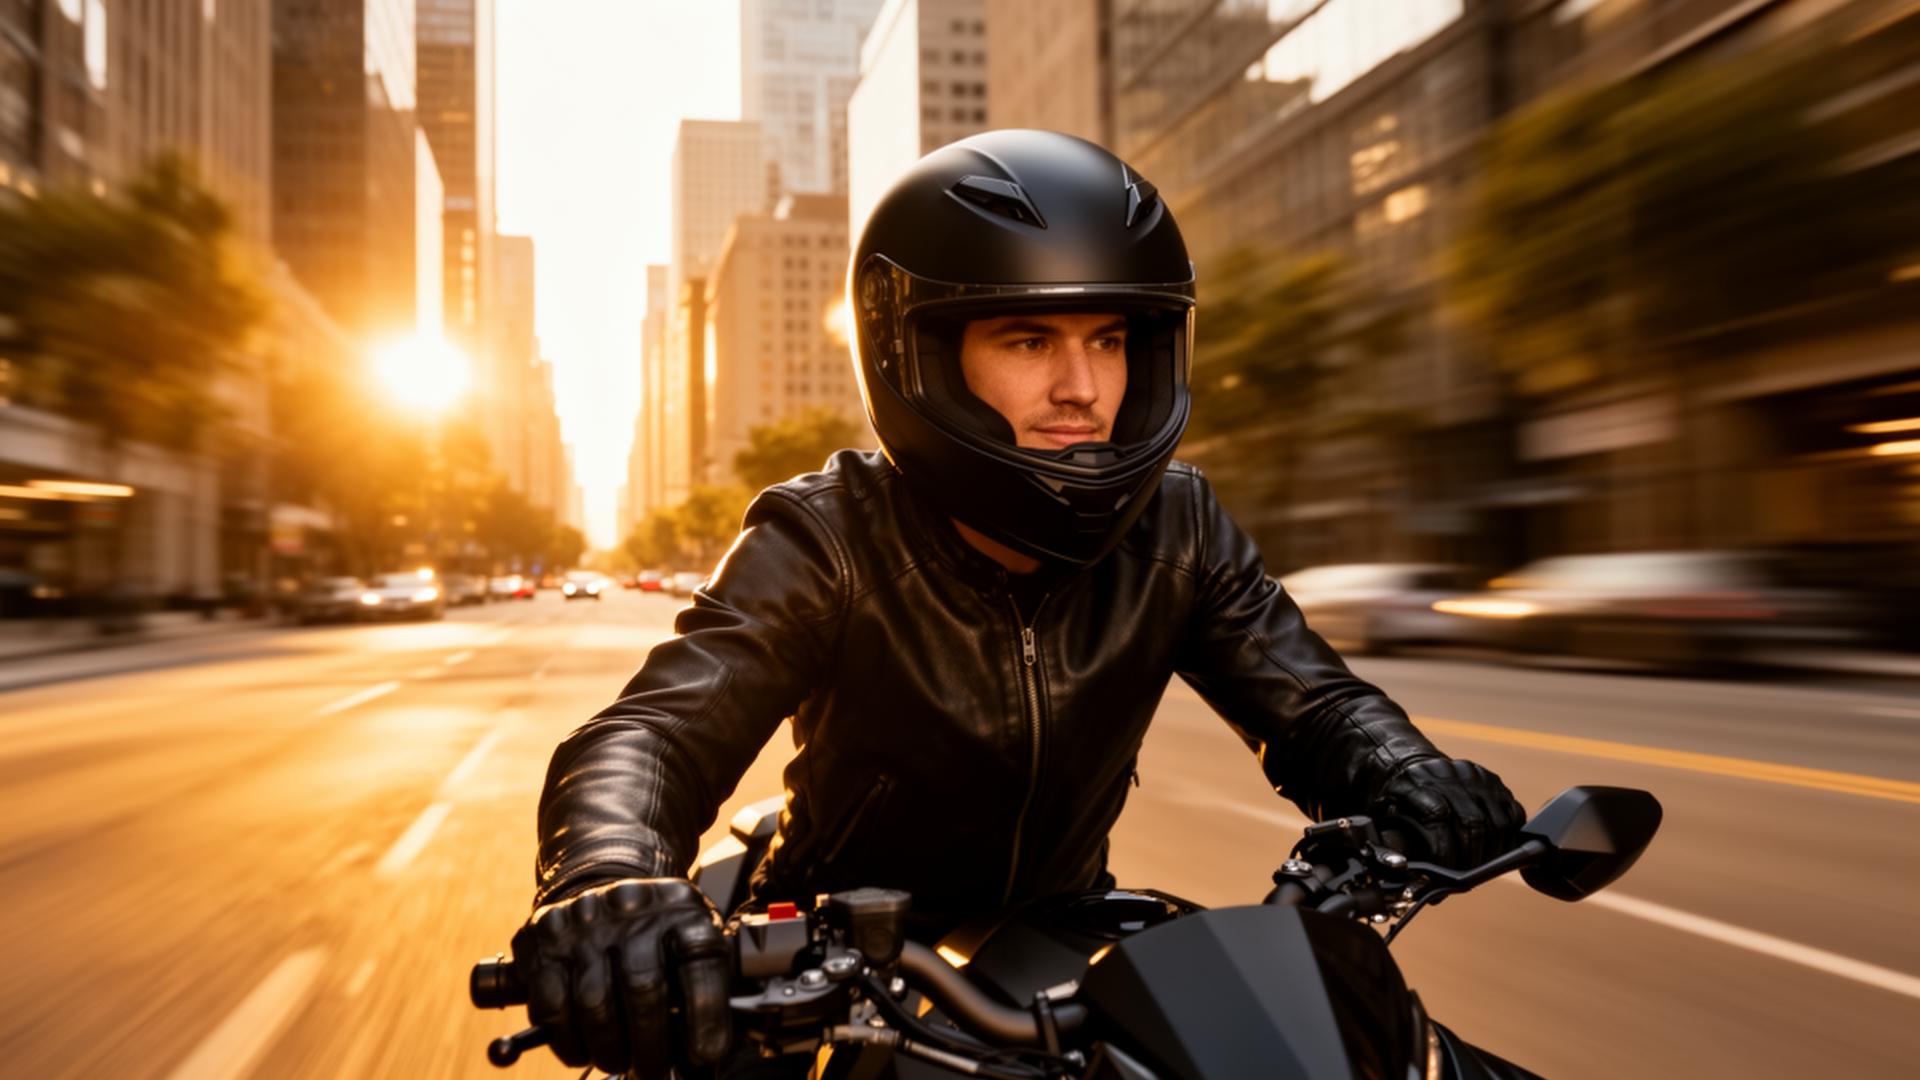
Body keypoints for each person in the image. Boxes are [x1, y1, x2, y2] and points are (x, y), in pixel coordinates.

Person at [511, 130, 1526, 1078]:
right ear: (926, 358)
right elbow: (655, 733)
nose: (1084, 387)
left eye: (1112, 338)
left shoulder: (1178, 526)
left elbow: (1313, 704)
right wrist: (608, 875)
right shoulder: (828, 536)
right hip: (836, 970)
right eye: (1030, 340)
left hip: (1070, 942)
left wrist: (1407, 774)